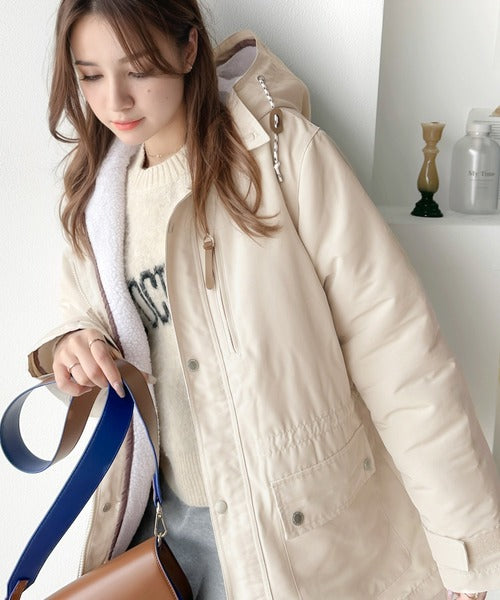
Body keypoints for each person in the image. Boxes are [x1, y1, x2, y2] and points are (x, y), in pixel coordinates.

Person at [26, 0, 500, 598]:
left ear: (188, 49)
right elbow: (83, 318)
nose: (114, 100)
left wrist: (466, 552)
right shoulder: (95, 201)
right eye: (90, 75)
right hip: (168, 541)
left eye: (138, 69)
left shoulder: (278, 157)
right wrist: (73, 347)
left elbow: (400, 353)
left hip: (296, 540)